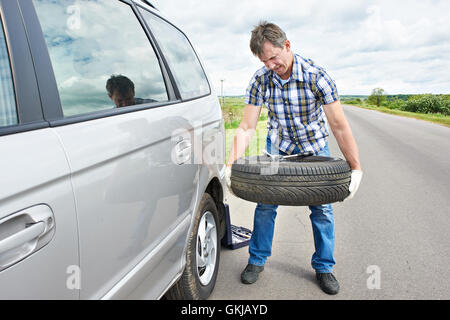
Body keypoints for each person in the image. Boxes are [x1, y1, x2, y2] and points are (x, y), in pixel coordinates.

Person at [225, 21, 363, 295]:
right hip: (279, 147)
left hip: (314, 148)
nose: (270, 66)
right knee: (266, 205)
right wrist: (230, 165)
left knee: (322, 210)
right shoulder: (260, 79)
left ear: (287, 46)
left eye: (273, 58)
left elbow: (338, 125)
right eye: (264, 61)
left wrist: (356, 167)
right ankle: (256, 260)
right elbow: (246, 127)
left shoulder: (316, 76)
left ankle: (324, 267)